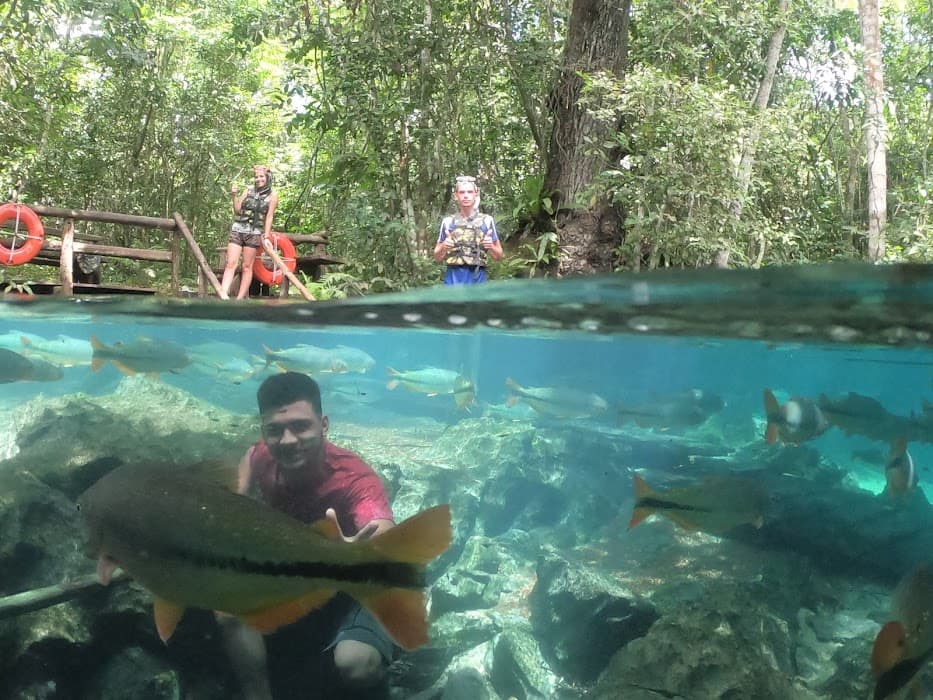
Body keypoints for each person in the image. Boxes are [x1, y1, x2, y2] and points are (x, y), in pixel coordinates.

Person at [218, 372, 396, 700]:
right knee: (226, 609)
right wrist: (237, 497)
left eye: (300, 426)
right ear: (264, 431)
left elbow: (381, 526)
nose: (287, 440)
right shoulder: (263, 455)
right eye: (275, 430)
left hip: (355, 586)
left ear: (323, 424)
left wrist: (355, 552)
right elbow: (249, 461)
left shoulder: (354, 479)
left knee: (355, 664)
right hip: (300, 577)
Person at [221, 164, 279, 299]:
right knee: (231, 263)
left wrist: (266, 236)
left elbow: (269, 217)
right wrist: (234, 196)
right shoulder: (248, 191)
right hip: (238, 229)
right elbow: (237, 210)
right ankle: (223, 295)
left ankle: (239, 299)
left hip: (254, 233)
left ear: (267, 178)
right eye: (256, 177)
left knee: (247, 266)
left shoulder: (273, 196)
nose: (258, 179)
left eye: (261, 177)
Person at [433, 175, 503, 284]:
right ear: (455, 196)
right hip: (453, 278)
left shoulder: (487, 221)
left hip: (477, 277)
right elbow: (437, 257)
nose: (466, 196)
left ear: (476, 194)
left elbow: (499, 256)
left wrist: (491, 247)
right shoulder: (448, 222)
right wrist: (444, 246)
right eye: (462, 192)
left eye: (470, 192)